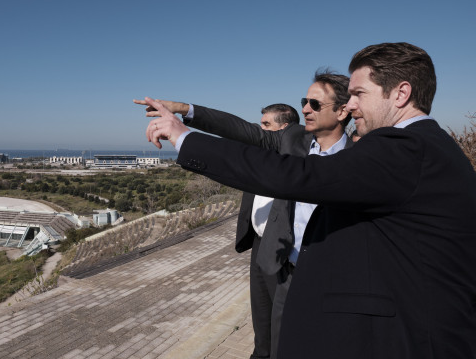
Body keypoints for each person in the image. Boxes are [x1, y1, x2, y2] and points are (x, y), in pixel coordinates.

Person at [142, 42, 476, 359]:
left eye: (359, 93)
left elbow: (299, 176)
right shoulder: (429, 146)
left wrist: (183, 138)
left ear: (401, 93)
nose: (352, 104)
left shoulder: (405, 148)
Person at [135, 70, 353, 358]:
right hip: (284, 266)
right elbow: (240, 130)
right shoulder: (293, 139)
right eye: (304, 102)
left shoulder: (358, 159)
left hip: (326, 278)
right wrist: (184, 111)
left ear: (342, 111)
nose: (305, 109)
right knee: (272, 344)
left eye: (315, 104)